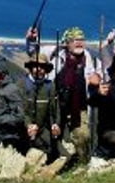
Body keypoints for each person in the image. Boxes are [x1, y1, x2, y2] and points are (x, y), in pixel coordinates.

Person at [29, 26, 102, 159]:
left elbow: (93, 73)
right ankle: (54, 158)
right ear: (67, 42)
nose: (79, 42)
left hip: (79, 106)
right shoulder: (55, 53)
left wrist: (96, 77)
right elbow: (34, 53)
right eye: (75, 40)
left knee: (83, 135)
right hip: (57, 105)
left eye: (81, 39)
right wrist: (32, 40)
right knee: (54, 134)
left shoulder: (87, 56)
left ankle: (82, 160)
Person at [22, 53, 61, 161]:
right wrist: (28, 125)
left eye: (43, 67)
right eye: (35, 66)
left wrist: (56, 124)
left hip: (43, 130)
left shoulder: (50, 86)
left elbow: (55, 109)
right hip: (23, 132)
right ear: (30, 68)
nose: (39, 70)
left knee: (58, 155)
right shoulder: (22, 84)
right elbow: (19, 110)